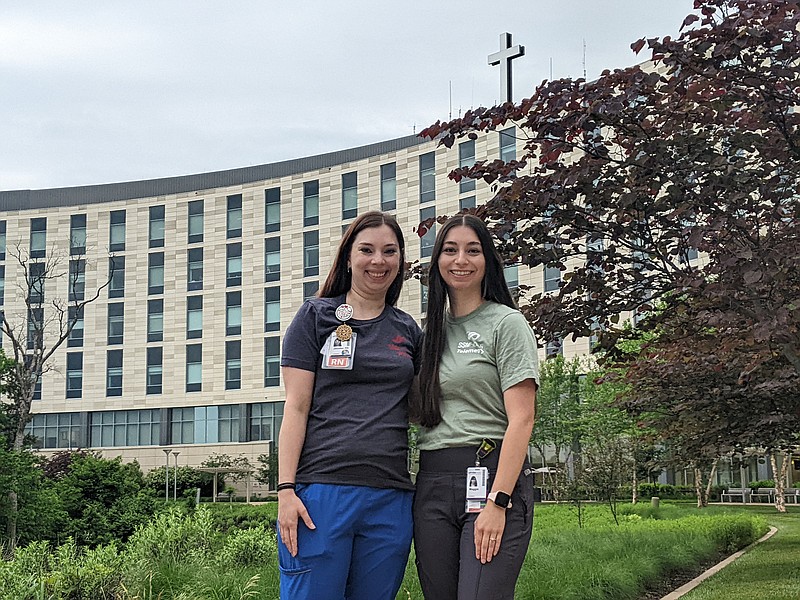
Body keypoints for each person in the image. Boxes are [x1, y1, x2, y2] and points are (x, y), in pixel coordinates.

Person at [277, 211, 422, 600]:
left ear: (400, 262)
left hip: (390, 495)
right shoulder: (315, 316)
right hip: (322, 492)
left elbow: (424, 407)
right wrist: (286, 490)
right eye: (367, 250)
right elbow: (296, 407)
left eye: (390, 252)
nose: (379, 261)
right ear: (348, 257)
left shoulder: (408, 329)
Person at [411, 214, 539, 600]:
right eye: (450, 250)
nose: (460, 260)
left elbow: (522, 418)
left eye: (473, 250)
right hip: (431, 482)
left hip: (490, 478)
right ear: (437, 262)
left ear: (488, 262)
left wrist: (499, 501)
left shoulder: (506, 324)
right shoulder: (428, 334)